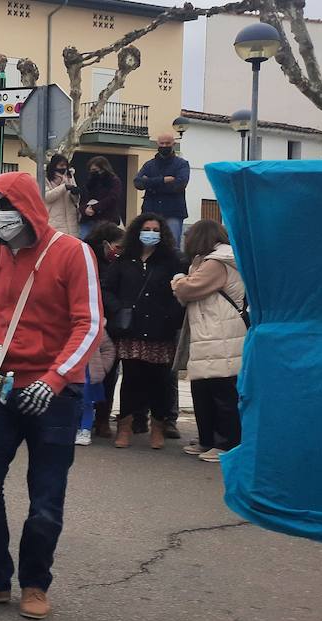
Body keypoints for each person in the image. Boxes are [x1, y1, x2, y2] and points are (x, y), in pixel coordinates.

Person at [0, 171, 102, 621]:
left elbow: (87, 325)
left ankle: (34, 583)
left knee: (46, 497)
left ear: (29, 207)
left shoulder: (72, 252)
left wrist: (53, 380)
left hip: (53, 395)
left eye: (3, 206)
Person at [102, 214, 186, 450]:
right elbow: (107, 289)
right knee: (131, 380)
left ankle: (157, 427)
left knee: (159, 381)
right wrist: (120, 309)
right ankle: (125, 426)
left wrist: (170, 316)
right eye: (147, 228)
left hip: (161, 331)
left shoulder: (171, 261)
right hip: (132, 331)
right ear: (138, 231)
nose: (151, 233)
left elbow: (179, 292)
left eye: (155, 229)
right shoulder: (124, 260)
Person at [171, 219, 245, 463]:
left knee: (222, 392)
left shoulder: (216, 262)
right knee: (203, 389)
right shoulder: (207, 260)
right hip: (209, 332)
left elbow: (188, 289)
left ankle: (226, 443)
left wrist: (179, 279)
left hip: (221, 333)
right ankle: (208, 440)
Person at [83, 222, 125, 438]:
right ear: (105, 244)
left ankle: (102, 418)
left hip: (110, 325)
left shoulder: (119, 263)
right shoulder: (84, 258)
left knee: (107, 373)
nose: (119, 251)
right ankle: (85, 418)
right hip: (87, 323)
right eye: (118, 246)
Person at [133, 133, 190, 245]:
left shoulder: (182, 164)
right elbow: (138, 183)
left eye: (167, 143)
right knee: (147, 245)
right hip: (150, 211)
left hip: (173, 212)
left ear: (173, 144)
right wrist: (163, 180)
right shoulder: (149, 165)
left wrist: (149, 183)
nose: (164, 146)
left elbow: (180, 185)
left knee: (172, 246)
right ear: (157, 144)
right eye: (162, 143)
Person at [77, 156, 122, 240]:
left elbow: (112, 198)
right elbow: (82, 199)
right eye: (91, 170)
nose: (93, 173)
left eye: (95, 170)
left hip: (106, 219)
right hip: (88, 219)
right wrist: (84, 210)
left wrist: (95, 208)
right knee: (85, 244)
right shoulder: (89, 183)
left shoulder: (114, 181)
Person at [43, 154, 80, 236]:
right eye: (61, 165)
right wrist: (64, 187)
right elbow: (47, 197)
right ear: (54, 165)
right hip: (54, 220)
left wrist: (75, 193)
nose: (63, 168)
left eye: (65, 165)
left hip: (71, 220)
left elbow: (76, 201)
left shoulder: (70, 176)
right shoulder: (45, 178)